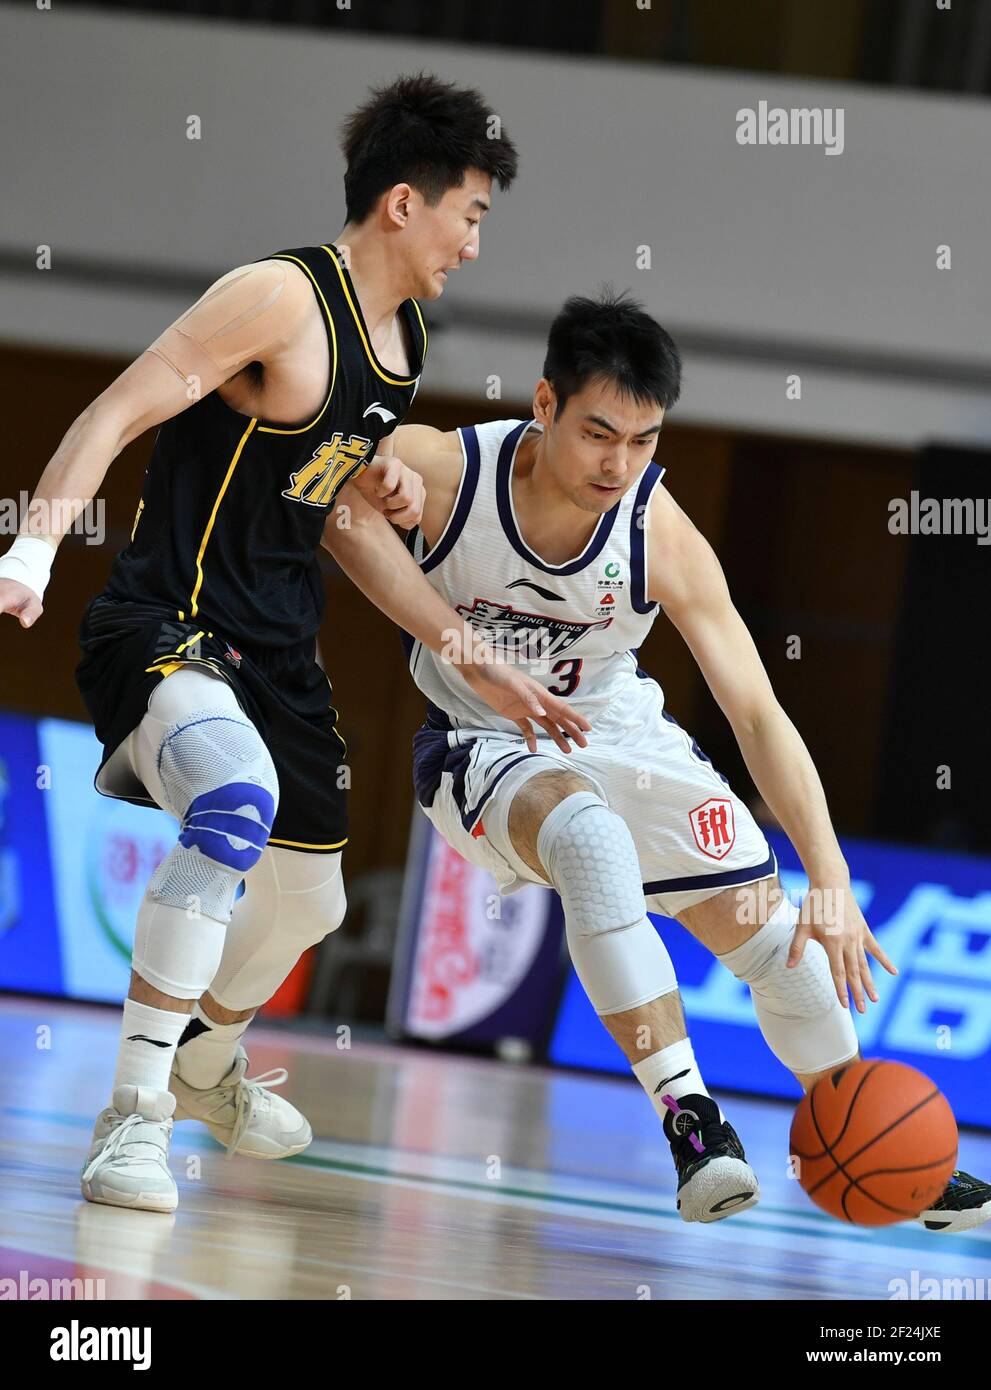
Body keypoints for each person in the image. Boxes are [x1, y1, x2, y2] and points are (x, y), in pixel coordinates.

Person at [0, 74, 589, 1214]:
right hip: (167, 625)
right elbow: (114, 411)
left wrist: (470, 647)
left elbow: (343, 520)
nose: (474, 244)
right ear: (404, 204)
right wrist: (30, 552)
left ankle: (206, 1068)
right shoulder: (276, 298)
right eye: (470, 214)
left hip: (276, 652)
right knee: (233, 804)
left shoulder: (402, 340)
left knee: (307, 908)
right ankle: (131, 1122)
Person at [390, 288, 990, 1232]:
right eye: (597, 434)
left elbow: (755, 708)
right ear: (543, 405)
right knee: (588, 842)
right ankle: (693, 1124)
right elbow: (320, 486)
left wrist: (828, 874)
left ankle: (866, 1134)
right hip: (481, 742)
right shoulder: (442, 469)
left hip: (619, 732)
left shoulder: (655, 531)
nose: (618, 463)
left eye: (642, 440)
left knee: (778, 939)